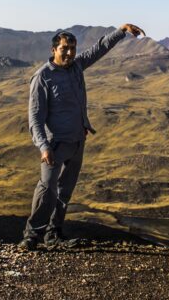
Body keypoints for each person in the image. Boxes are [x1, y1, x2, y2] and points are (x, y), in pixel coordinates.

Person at [19, 23, 145, 250]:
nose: (69, 53)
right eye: (65, 48)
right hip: (55, 144)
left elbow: (99, 48)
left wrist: (122, 31)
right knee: (46, 188)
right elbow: (35, 118)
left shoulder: (76, 67)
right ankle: (31, 235)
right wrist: (43, 146)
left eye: (73, 48)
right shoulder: (42, 78)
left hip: (77, 140)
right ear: (53, 50)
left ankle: (53, 234)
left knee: (64, 192)